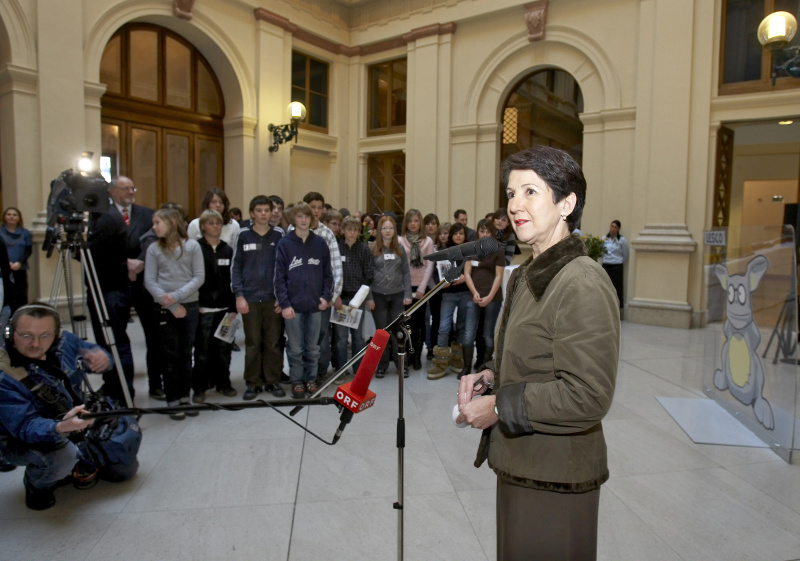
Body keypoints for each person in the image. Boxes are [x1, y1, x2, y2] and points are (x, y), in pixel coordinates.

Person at [457, 146, 620, 561]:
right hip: (523, 462)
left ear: (567, 204)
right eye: (511, 194)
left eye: (530, 191)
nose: (515, 205)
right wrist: (490, 376)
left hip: (556, 476)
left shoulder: (581, 281)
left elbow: (588, 395)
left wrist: (499, 407)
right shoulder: (527, 273)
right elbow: (526, 353)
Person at [0, 304, 137, 511]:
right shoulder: (4, 375)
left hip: (71, 417)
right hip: (18, 437)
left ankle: (78, 461)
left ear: (56, 334)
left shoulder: (66, 341)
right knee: (63, 457)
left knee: (122, 466)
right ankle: (37, 486)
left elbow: (99, 356)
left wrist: (101, 358)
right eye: (26, 336)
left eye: (45, 336)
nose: (36, 344)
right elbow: (25, 427)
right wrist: (60, 427)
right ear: (10, 333)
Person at [144, 209, 205, 420]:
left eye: (157, 222)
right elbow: (149, 281)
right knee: (170, 355)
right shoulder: (153, 249)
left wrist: (177, 297)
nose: (154, 227)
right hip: (164, 308)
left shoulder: (192, 246)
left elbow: (199, 277)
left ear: (171, 222)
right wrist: (171, 304)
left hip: (189, 306)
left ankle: (185, 397)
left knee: (186, 354)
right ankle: (172, 399)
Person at [274, 203, 333, 399]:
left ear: (311, 219)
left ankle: (311, 379)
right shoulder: (285, 244)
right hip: (293, 307)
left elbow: (328, 275)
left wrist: (325, 296)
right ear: (294, 219)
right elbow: (279, 278)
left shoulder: (320, 243)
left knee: (313, 347)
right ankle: (297, 381)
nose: (303, 220)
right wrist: (285, 304)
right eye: (299, 216)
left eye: (307, 216)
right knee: (295, 348)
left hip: (315, 305)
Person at [231, 196, 285, 400]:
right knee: (253, 342)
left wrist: (282, 297)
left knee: (273, 342)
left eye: (266, 210)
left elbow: (284, 268)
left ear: (271, 213)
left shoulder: (279, 234)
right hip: (250, 298)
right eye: (259, 210)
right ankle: (253, 383)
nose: (263, 214)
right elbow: (236, 267)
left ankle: (273, 380)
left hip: (273, 299)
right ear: (252, 213)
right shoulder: (243, 235)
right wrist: (239, 296)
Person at [191, 210, 237, 402]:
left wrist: (233, 308)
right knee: (202, 351)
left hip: (225, 310)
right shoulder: (196, 249)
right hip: (204, 309)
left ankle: (223, 383)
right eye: (211, 223)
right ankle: (200, 387)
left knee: (223, 350)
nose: (215, 226)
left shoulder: (227, 250)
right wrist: (196, 304)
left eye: (218, 223)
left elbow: (232, 280)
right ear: (203, 226)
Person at [302, 192, 343, 381]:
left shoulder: (327, 234)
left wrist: (332, 296)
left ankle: (319, 374)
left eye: (319, 208)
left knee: (321, 338)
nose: (316, 211)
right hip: (299, 298)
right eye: (313, 207)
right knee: (299, 340)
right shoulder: (292, 231)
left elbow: (336, 268)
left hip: (321, 298)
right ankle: (301, 375)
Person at [369, 216, 412, 378]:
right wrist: (369, 297)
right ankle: (382, 365)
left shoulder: (400, 248)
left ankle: (401, 365)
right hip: (378, 296)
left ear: (395, 230)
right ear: (379, 230)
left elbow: (406, 273)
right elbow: (368, 275)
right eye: (384, 228)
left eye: (391, 228)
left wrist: (408, 294)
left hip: (397, 296)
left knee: (398, 332)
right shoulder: (372, 248)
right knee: (381, 333)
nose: (388, 231)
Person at [463, 218, 506, 376]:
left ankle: (485, 367)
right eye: (482, 231)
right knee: (468, 334)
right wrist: (474, 292)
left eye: (488, 231)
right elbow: (467, 273)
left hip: (493, 298)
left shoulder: (498, 250)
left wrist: (489, 297)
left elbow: (499, 276)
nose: (485, 234)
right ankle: (466, 367)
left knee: (487, 334)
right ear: (478, 232)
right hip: (473, 296)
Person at [427, 223, 470, 380]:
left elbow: (471, 273)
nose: (458, 236)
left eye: (461, 233)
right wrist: (443, 282)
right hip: (448, 294)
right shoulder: (444, 252)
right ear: (451, 235)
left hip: (465, 293)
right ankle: (440, 362)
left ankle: (457, 358)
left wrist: (463, 278)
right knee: (444, 326)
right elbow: (437, 273)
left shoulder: (469, 251)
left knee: (461, 326)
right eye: (455, 233)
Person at [335, 216, 374, 375]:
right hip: (340, 300)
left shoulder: (364, 249)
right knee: (341, 339)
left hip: (357, 300)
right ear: (343, 230)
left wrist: (359, 299)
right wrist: (335, 296)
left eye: (355, 230)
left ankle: (358, 370)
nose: (352, 233)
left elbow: (369, 274)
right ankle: (341, 370)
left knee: (358, 337)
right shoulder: (337, 248)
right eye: (349, 229)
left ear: (359, 232)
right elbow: (332, 273)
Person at [398, 209, 434, 370]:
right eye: (410, 221)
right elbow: (399, 266)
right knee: (406, 324)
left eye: (416, 221)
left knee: (420, 324)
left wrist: (422, 288)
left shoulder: (427, 241)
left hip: (421, 289)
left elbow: (429, 265)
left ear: (420, 223)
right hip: (404, 288)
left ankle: (418, 355)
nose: (413, 224)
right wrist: (405, 289)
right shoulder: (399, 240)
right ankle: (408, 354)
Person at [0, 207, 32, 312]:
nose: (11, 217)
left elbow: (28, 250)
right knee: (7, 295)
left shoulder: (25, 233)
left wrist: (20, 263)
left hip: (20, 268)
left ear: (19, 218)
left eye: (14, 215)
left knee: (21, 295)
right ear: (4, 217)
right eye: (9, 214)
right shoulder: (0, 232)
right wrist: (6, 263)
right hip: (4, 270)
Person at [602, 219, 629, 311]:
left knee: (617, 288)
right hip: (606, 265)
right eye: (612, 226)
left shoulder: (622, 240)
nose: (613, 229)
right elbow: (601, 252)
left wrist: (618, 262)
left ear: (618, 229)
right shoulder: (604, 239)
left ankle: (617, 309)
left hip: (617, 266)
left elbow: (626, 255)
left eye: (615, 227)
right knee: (605, 287)